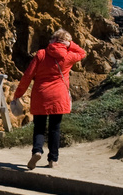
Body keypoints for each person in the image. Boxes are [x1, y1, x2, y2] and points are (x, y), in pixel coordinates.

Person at [10, 28, 88, 170]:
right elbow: (82, 53)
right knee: (55, 128)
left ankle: (37, 151)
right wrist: (70, 45)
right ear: (65, 42)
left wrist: (18, 94)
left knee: (39, 127)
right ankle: (53, 160)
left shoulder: (41, 54)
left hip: (41, 95)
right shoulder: (69, 56)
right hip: (59, 96)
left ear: (53, 40)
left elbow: (27, 75)